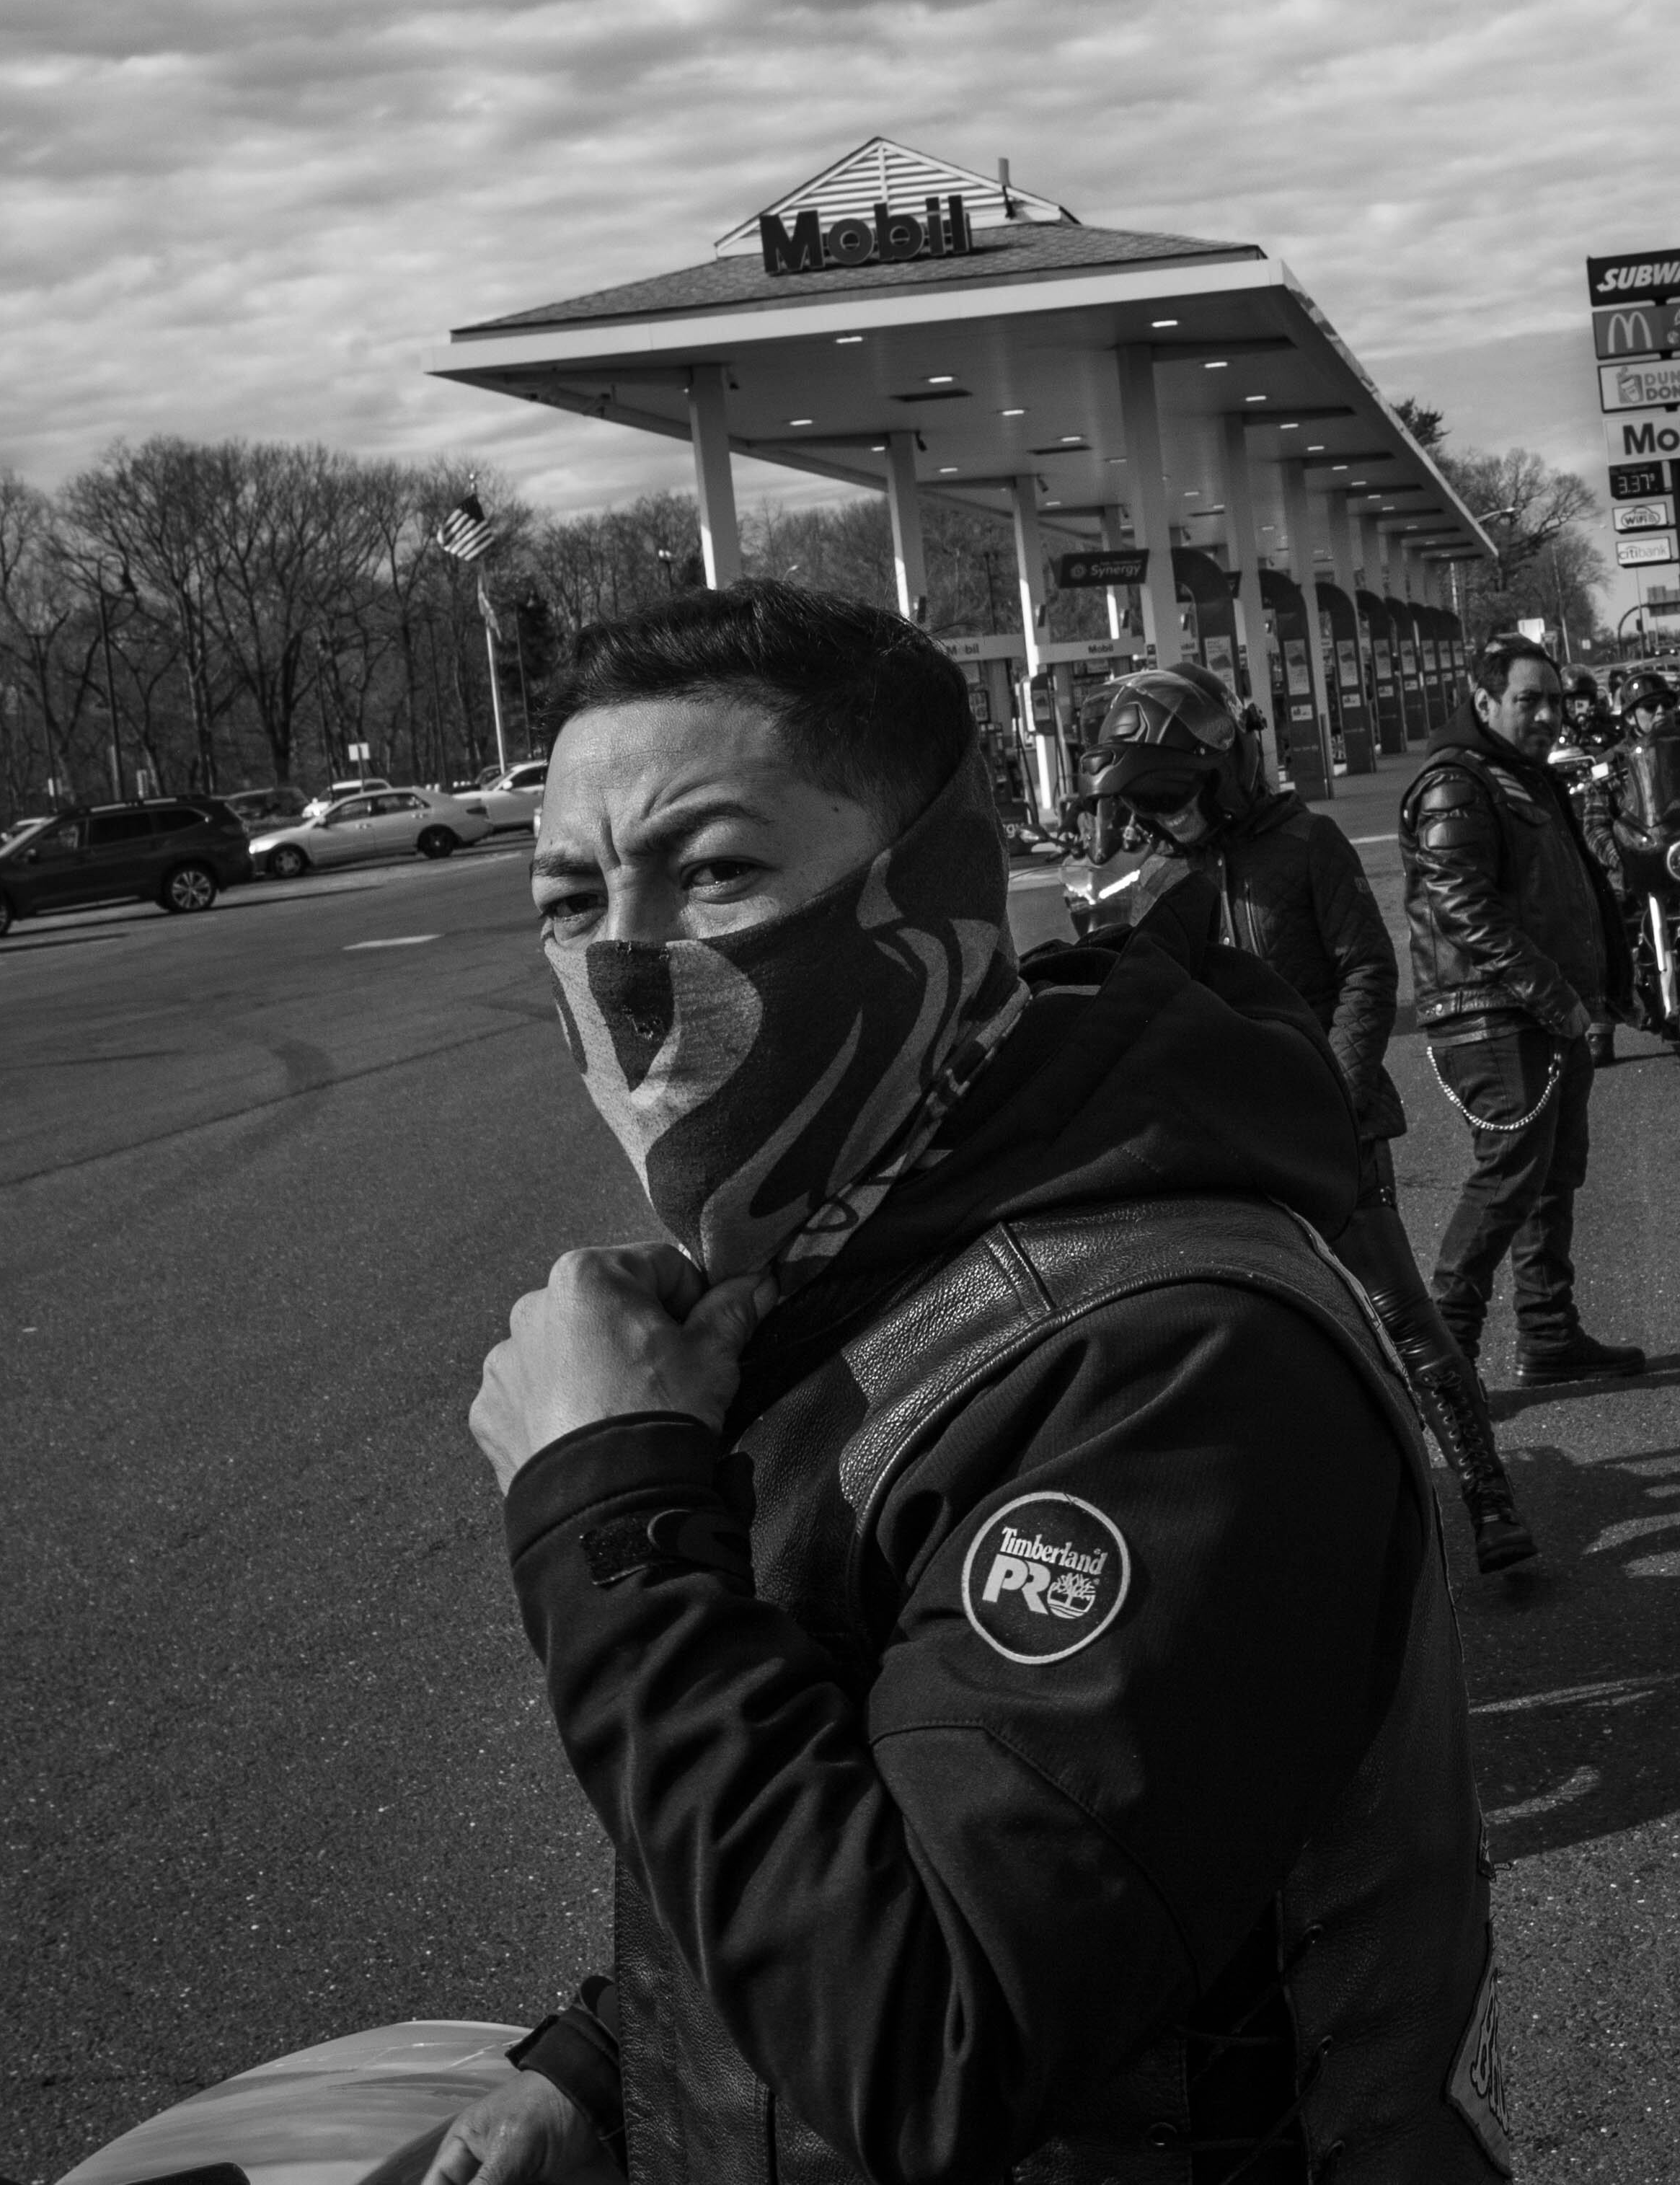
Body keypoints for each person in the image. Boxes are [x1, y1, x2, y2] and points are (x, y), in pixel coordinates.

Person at [428, 583, 1503, 2185]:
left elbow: (936, 2042)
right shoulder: (846, 1238)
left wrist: (605, 1510)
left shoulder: (1176, 1358)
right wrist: (607, 2055)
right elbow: (860, 1761)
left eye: (712, 868)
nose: (622, 964)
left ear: (925, 882)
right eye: (570, 899)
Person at [1085, 664, 1541, 1576]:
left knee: (1400, 1311)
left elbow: (1368, 969)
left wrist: (1328, 1086)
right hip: (1223, 1138)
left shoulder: (1308, 842)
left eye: (1173, 796)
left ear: (1225, 770)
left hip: (1335, 1122)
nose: (1161, 817)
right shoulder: (1153, 876)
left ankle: (1487, 1494)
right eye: (1147, 802)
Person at [1404, 635, 1642, 1386]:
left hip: (1541, 1010)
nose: (1546, 714)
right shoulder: (1458, 784)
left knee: (1552, 1176)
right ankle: (1445, 1360)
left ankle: (1547, 1331)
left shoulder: (1520, 776)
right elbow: (1463, 905)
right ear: (1483, 702)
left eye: (1556, 700)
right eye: (1527, 699)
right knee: (1507, 1178)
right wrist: (1551, 994)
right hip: (1491, 1014)